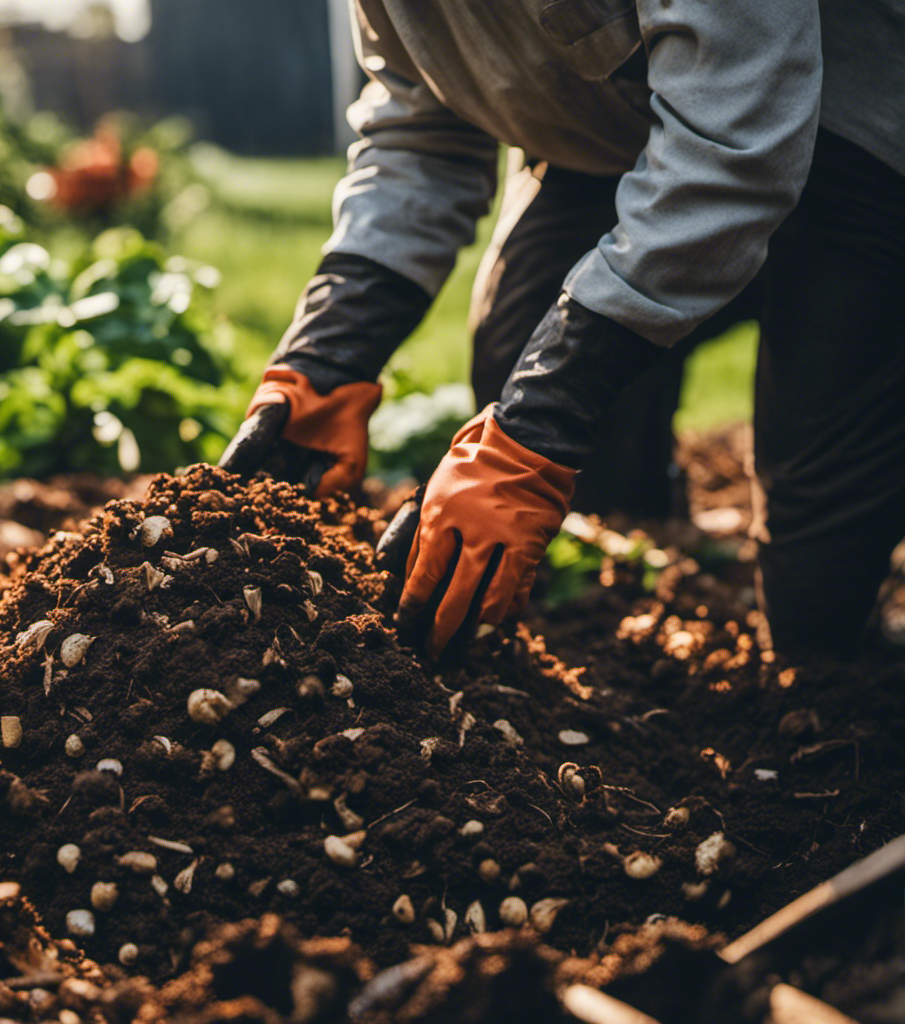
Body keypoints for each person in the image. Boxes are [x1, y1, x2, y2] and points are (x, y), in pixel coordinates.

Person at [221, 0, 905, 663]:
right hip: (621, 139)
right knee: (514, 353)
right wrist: (331, 350)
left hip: (851, 132)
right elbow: (418, 132)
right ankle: (645, 552)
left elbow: (733, 146)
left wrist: (546, 416)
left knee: (817, 604)